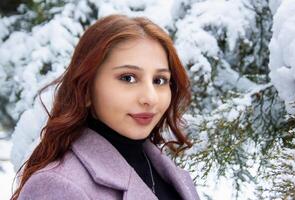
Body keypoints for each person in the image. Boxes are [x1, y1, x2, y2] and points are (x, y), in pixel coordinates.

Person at [11, 14, 200, 200]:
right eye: (128, 78)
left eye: (159, 80)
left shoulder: (165, 171)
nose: (150, 98)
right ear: (86, 89)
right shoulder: (58, 186)